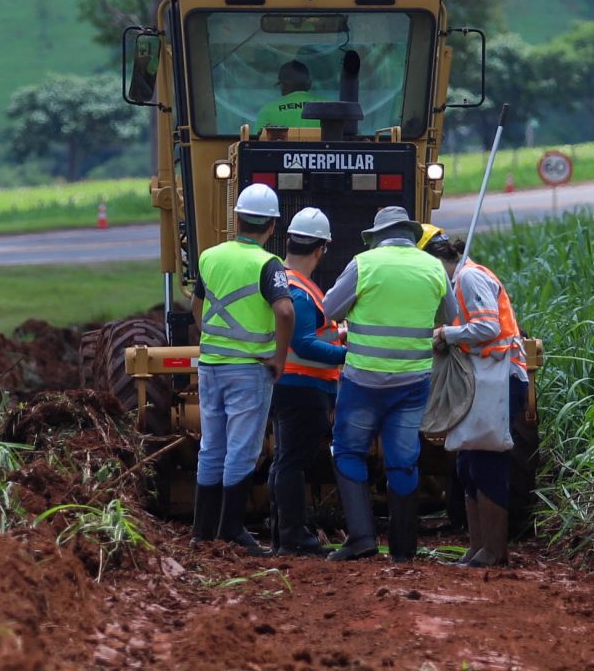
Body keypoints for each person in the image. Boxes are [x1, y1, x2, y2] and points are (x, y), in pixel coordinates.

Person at [319, 204, 450, 562]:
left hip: (363, 380)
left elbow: (328, 310)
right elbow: (449, 317)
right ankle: (404, 549)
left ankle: (361, 538)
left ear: (376, 237)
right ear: (410, 234)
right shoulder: (434, 267)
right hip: (413, 381)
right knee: (404, 459)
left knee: (348, 451)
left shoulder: (364, 264)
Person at [191, 181, 294, 552]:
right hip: (249, 369)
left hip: (211, 365)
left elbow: (197, 309)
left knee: (211, 445)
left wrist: (217, 340)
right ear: (272, 226)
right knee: (243, 448)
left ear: (236, 218)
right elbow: (284, 309)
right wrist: (278, 357)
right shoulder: (270, 264)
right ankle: (232, 529)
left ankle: (202, 531)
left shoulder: (209, 256)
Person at [427, 227, 530, 566]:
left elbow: (488, 329)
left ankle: (495, 551)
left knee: (486, 462)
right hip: (484, 380)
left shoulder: (469, 278)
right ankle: (478, 547)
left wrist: (447, 333)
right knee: (469, 464)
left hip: (499, 379)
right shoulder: (459, 280)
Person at [269, 205, 346, 557]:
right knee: (292, 462)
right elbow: (303, 343)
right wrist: (349, 355)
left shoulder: (287, 281)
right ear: (321, 249)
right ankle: (294, 536)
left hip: (293, 386)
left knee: (284, 460)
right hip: (304, 388)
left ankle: (283, 532)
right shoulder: (299, 289)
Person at [255, 59, 324, 130]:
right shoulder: (328, 107)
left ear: (283, 85)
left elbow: (256, 139)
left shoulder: (268, 110)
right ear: (309, 84)